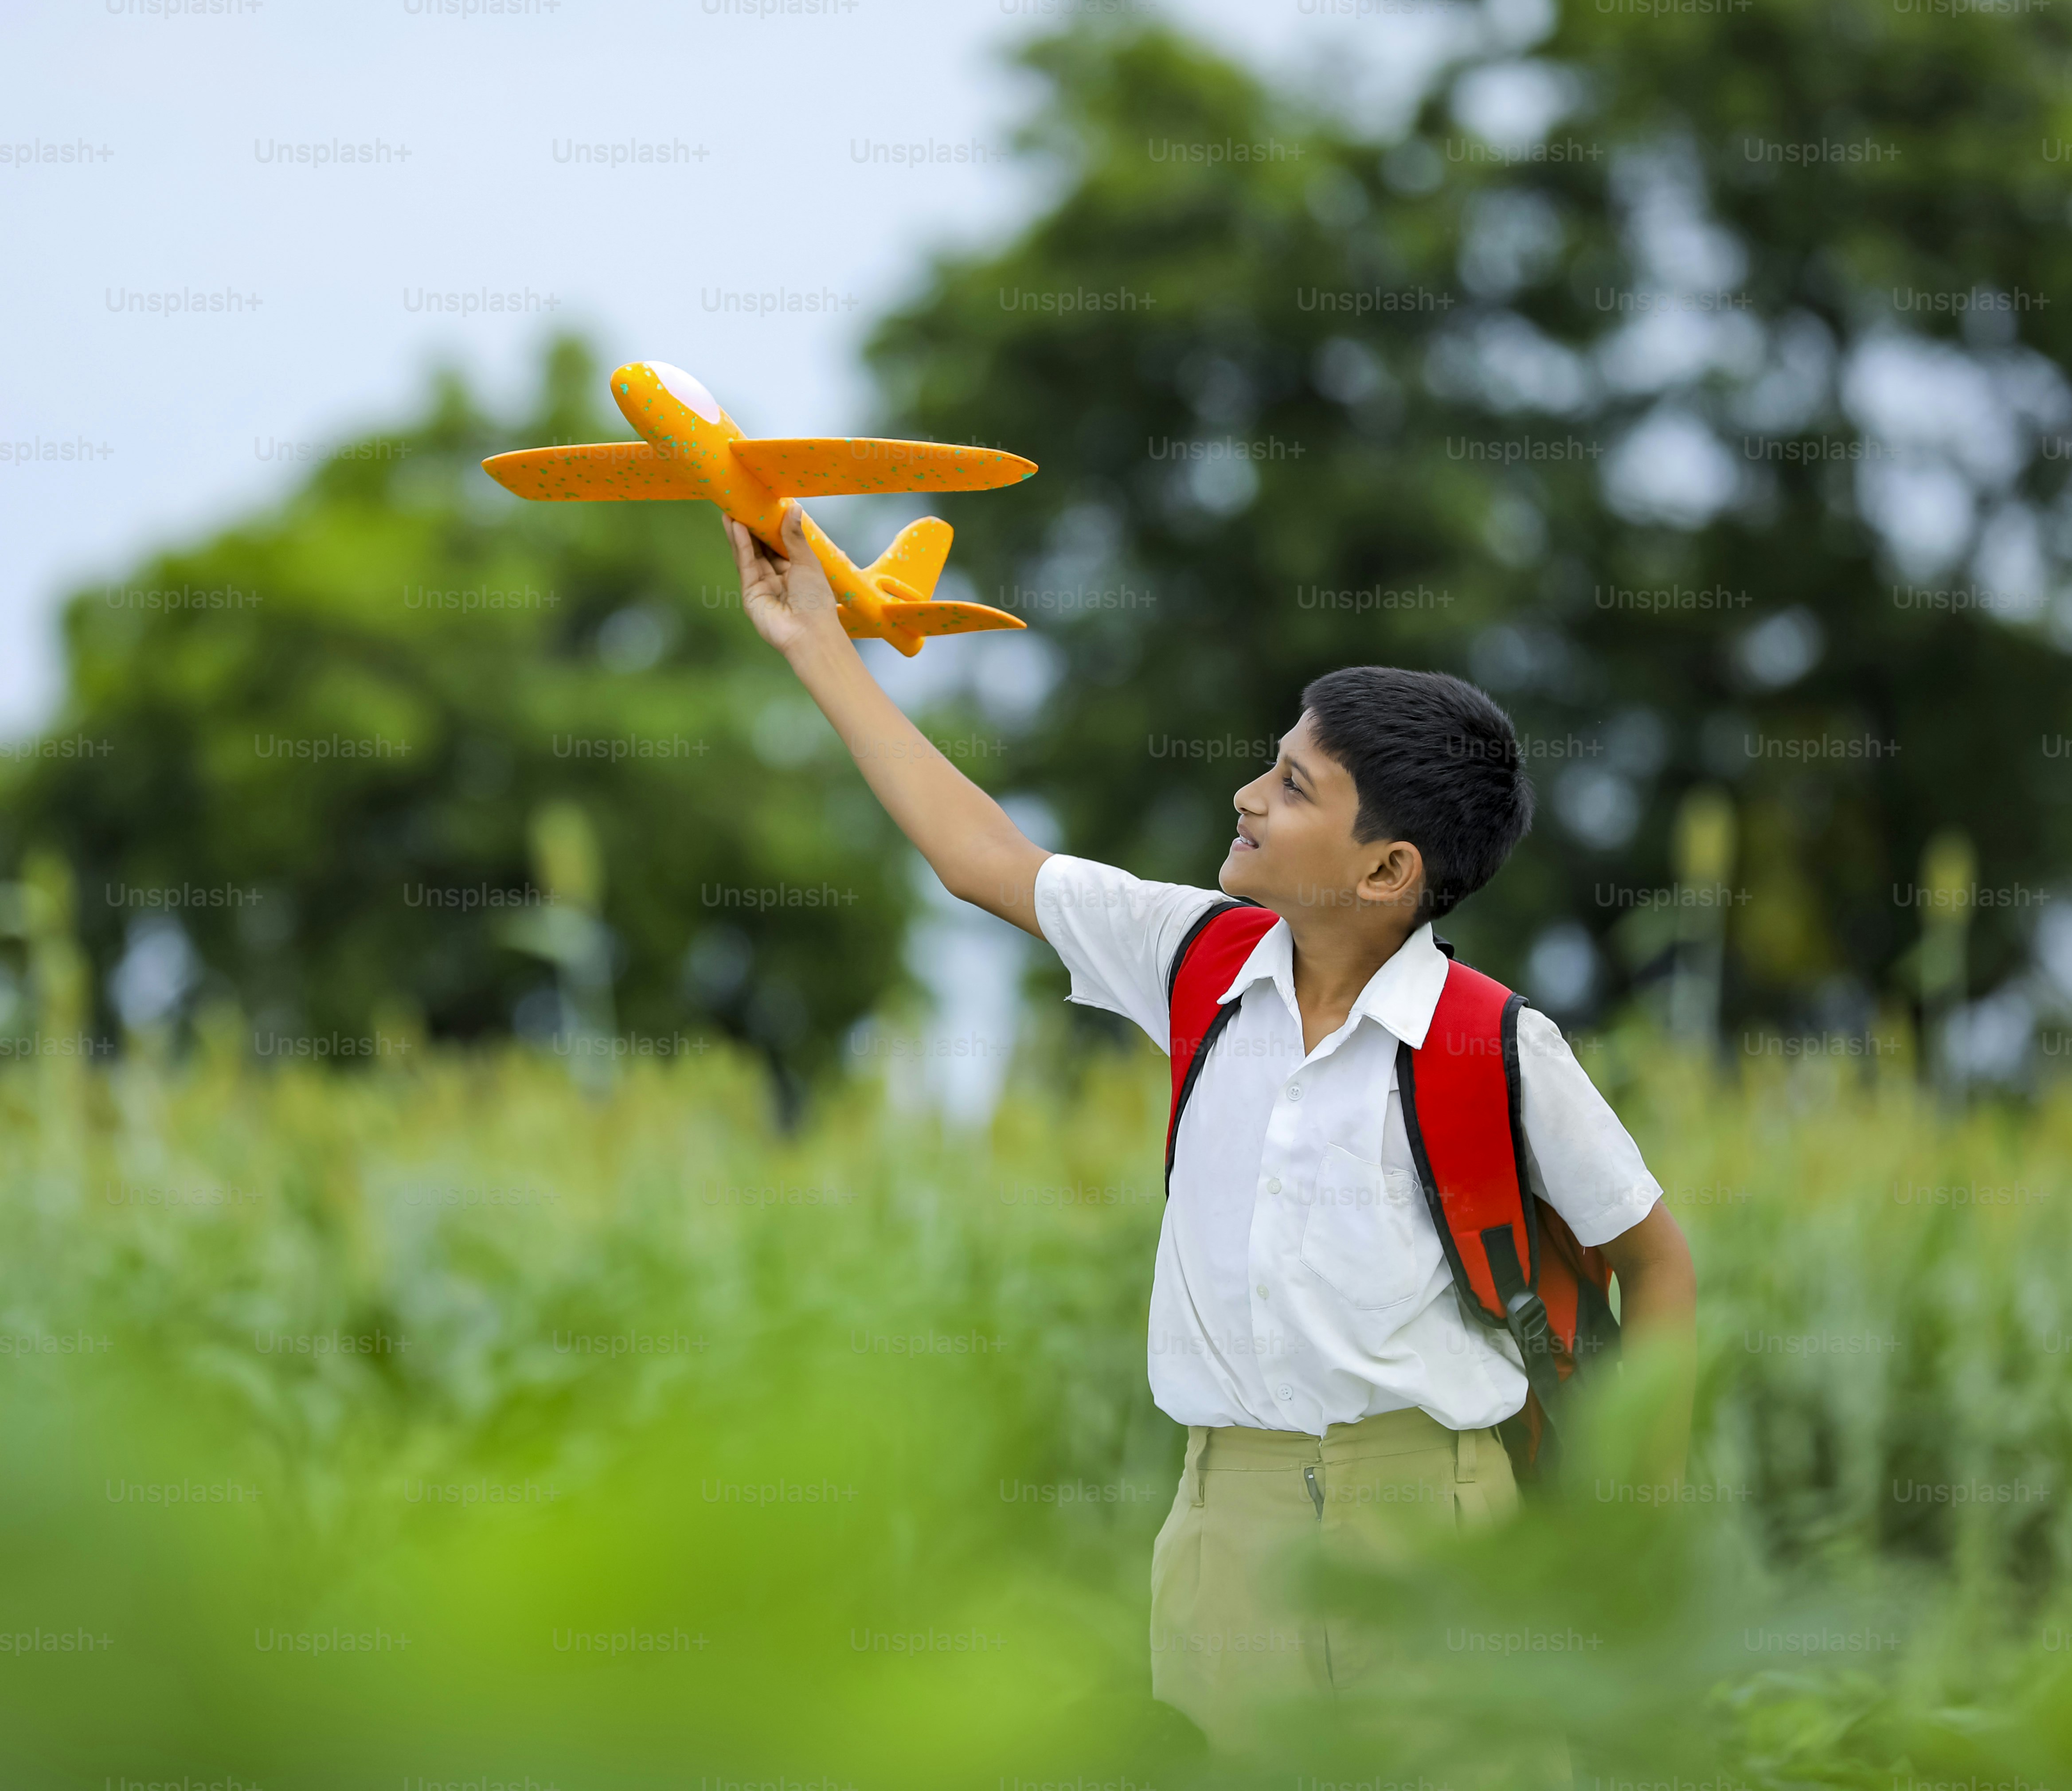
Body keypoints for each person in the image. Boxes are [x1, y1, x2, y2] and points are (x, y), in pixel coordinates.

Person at [723, 504, 1698, 1751]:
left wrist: (1634, 1537)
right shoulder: (1192, 957)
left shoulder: (1496, 1048)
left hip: (1445, 1520)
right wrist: (816, 640)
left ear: (1387, 871)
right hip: (1223, 1515)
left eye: (1292, 786)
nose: (1246, 795)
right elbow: (982, 857)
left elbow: (1655, 1259)